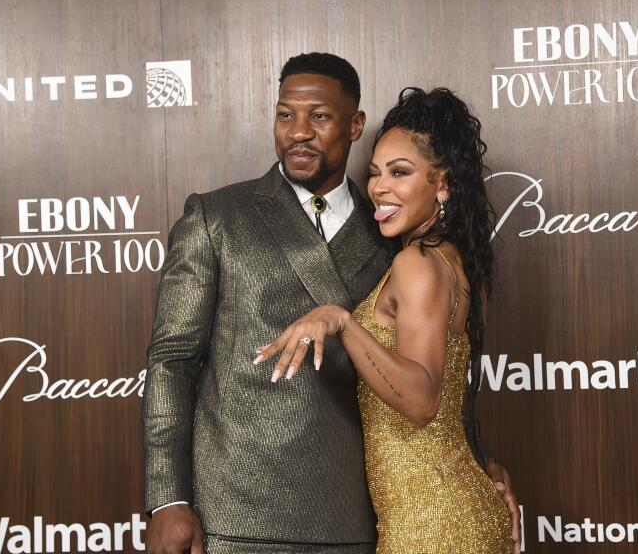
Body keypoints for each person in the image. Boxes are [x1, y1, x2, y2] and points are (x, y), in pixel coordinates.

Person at [143, 53, 519, 554]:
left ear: (355, 125)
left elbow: (436, 367)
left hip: (355, 522)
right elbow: (173, 360)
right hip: (235, 517)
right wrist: (168, 499)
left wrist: (479, 456)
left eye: (319, 117)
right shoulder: (217, 218)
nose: (298, 132)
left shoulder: (394, 231)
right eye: (285, 115)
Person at [257, 87, 515, 553]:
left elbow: (422, 400)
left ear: (443, 183)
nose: (379, 188)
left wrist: (342, 321)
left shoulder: (417, 263)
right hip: (453, 513)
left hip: (431, 528)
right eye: (375, 173)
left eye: (400, 172)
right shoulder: (452, 261)